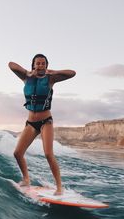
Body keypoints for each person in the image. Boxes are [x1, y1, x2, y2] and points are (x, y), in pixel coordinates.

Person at [8, 54, 76, 195]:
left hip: (46, 121)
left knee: (48, 154)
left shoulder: (50, 79)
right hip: (31, 123)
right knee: (17, 153)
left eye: (43, 63)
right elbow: (11, 64)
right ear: (33, 65)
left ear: (46, 65)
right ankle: (26, 179)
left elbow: (72, 73)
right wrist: (27, 72)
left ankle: (59, 187)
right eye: (38, 63)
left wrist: (54, 72)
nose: (40, 66)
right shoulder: (26, 78)